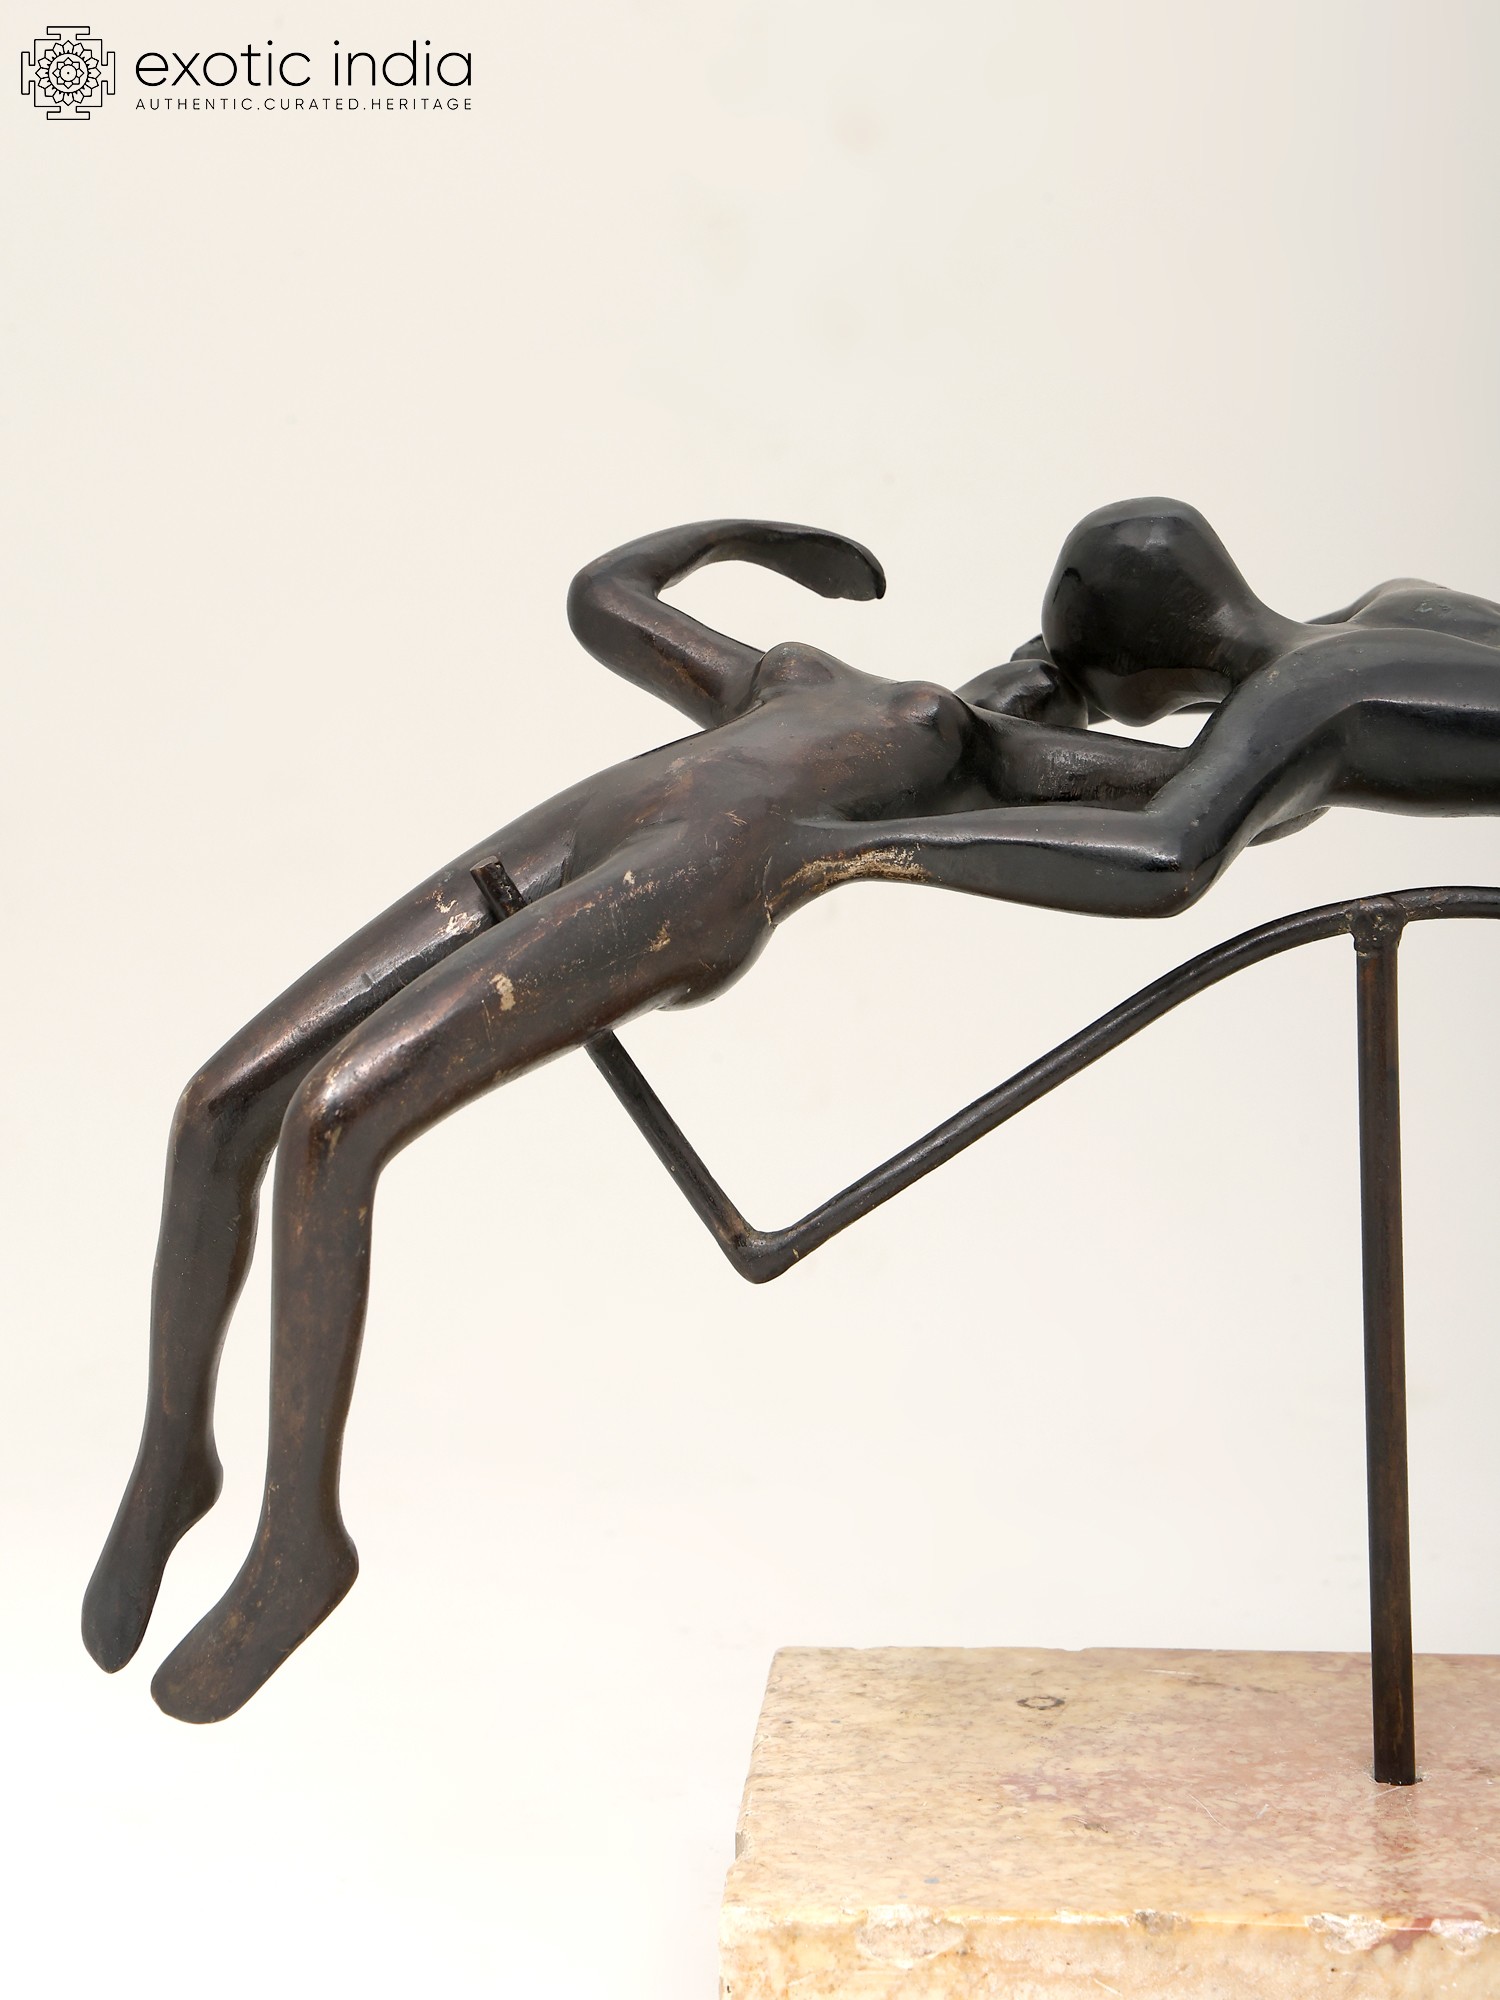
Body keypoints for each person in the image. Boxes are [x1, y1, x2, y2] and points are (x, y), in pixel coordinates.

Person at [81, 500, 1495, 1723]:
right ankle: (173, 1454)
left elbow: (1177, 836)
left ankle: (298, 1541)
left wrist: (847, 849)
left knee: (335, 1121)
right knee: (220, 1104)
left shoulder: (1039, 746)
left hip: (684, 881)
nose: (1033, 679)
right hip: (592, 826)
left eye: (1066, 670)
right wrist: (770, 543)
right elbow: (605, 599)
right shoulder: (804, 678)